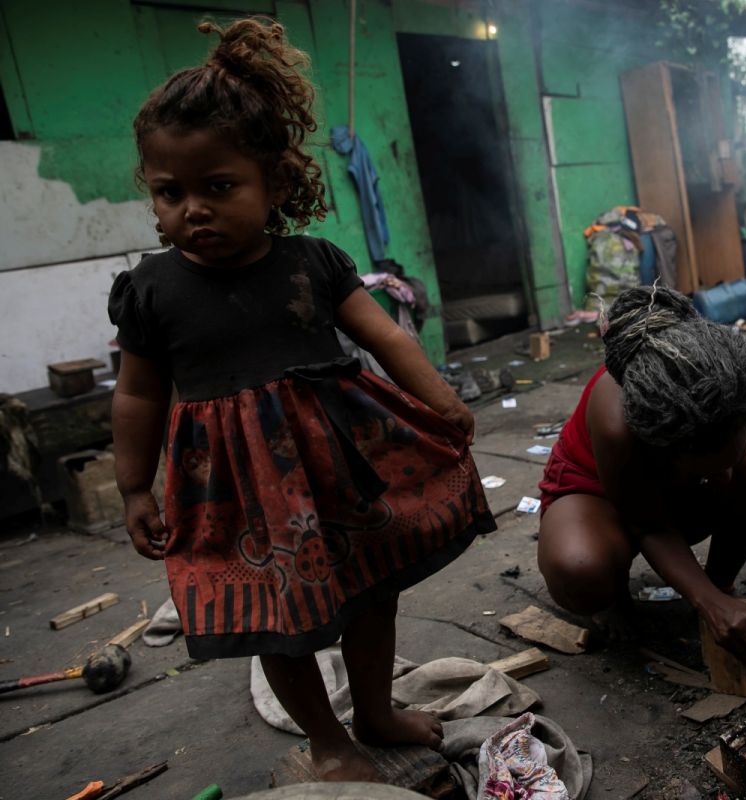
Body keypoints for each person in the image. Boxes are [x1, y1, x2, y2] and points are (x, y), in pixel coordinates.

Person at [108, 18, 495, 782]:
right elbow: (136, 396)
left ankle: (375, 710)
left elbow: (388, 340)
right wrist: (131, 486)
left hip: (336, 468)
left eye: (217, 187)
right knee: (275, 626)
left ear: (276, 183)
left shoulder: (314, 263)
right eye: (169, 192)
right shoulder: (150, 290)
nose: (192, 209)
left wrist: (438, 399)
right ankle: (328, 739)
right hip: (235, 495)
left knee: (372, 593)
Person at [537, 285, 746, 670]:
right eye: (707, 468)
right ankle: (619, 598)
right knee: (580, 568)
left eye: (731, 457)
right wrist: (703, 601)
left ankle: (720, 581)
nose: (726, 477)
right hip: (603, 493)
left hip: (674, 492)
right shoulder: (616, 419)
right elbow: (648, 525)